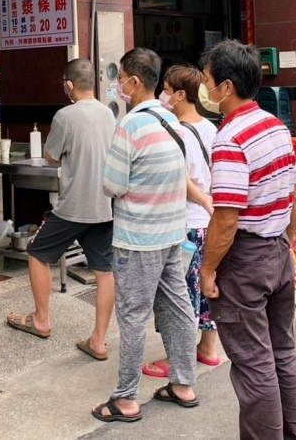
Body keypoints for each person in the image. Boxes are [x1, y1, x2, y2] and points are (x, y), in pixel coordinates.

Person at [198, 40, 296, 440]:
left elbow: (226, 218)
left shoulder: (230, 138)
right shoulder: (274, 125)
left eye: (207, 80)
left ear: (226, 87)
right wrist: (288, 246)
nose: (205, 88)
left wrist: (207, 269)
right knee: (283, 354)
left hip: (246, 259)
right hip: (276, 250)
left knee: (254, 364)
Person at [92, 47, 198, 423]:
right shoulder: (172, 121)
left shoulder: (131, 126)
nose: (118, 85)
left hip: (138, 238)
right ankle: (184, 384)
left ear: (135, 82)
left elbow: (112, 185)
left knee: (133, 316)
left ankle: (125, 399)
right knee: (178, 307)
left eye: (120, 78)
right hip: (172, 233)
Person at [5, 58, 117, 361]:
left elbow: (51, 155)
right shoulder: (108, 113)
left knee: (37, 252)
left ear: (69, 85)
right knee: (104, 271)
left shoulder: (65, 116)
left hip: (73, 206)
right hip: (105, 205)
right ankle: (99, 340)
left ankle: (41, 320)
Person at [143, 64, 220, 378]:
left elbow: (180, 177)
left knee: (180, 294)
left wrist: (200, 198)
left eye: (166, 89)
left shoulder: (175, 131)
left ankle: (178, 359)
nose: (162, 95)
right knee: (207, 286)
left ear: (180, 95)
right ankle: (208, 349)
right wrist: (210, 201)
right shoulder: (211, 128)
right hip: (209, 224)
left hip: (186, 223)